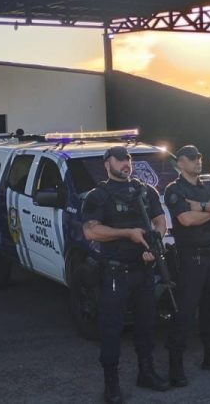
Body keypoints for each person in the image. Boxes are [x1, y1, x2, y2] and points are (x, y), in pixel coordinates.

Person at [82, 145, 170, 403]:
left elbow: (159, 221)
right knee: (111, 328)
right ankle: (111, 384)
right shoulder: (98, 195)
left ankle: (146, 372)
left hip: (144, 269)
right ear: (107, 164)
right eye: (119, 160)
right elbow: (91, 231)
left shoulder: (146, 191)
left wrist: (154, 244)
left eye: (128, 159)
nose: (125, 163)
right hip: (115, 272)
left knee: (146, 324)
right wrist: (127, 233)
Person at [163, 145, 210, 387]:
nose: (197, 161)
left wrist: (203, 207)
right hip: (190, 259)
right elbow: (186, 219)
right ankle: (175, 365)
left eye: (199, 157)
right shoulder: (174, 189)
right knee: (184, 313)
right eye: (191, 158)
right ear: (180, 163)